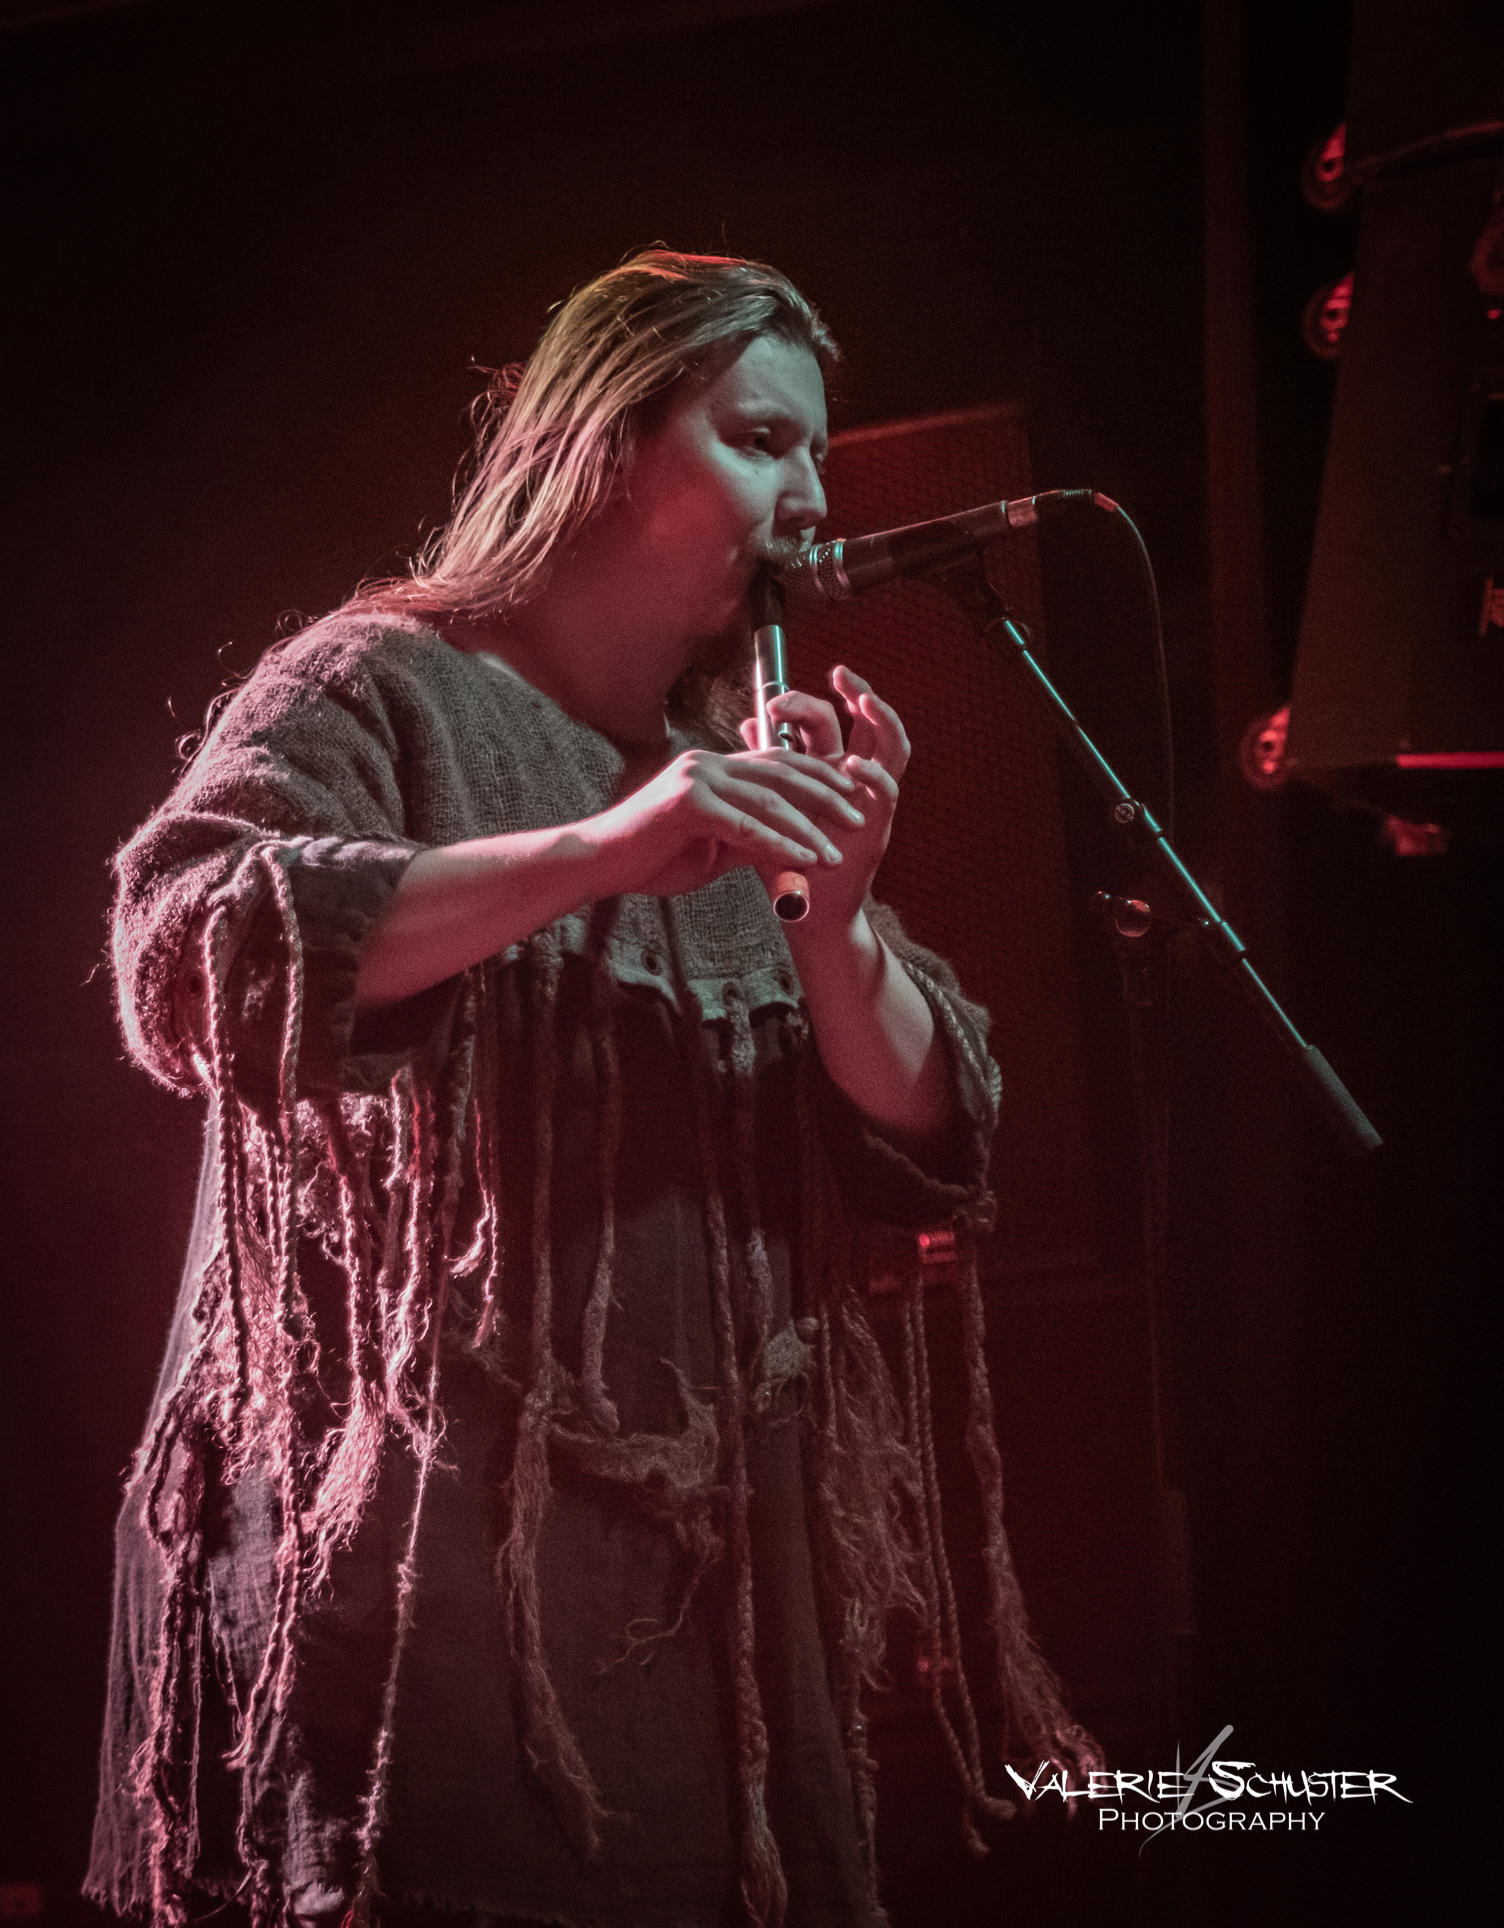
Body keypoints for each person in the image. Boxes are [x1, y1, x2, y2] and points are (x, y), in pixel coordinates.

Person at [87, 251, 1093, 1928]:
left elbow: (939, 1136)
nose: (811, 499)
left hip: (711, 1627)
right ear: (606, 445)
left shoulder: (730, 771)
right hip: (416, 1599)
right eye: (761, 440)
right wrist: (596, 854)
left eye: (818, 455)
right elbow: (193, 952)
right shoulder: (375, 685)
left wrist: (839, 931)